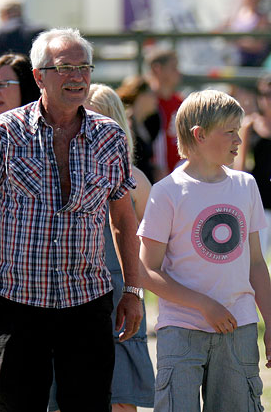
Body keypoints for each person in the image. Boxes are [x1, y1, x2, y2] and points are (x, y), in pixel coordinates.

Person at [0, 28, 142, 411]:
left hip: (87, 302)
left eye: (84, 67)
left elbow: (124, 220)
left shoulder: (109, 136)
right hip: (17, 302)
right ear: (38, 76)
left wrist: (133, 291)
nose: (77, 77)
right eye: (65, 68)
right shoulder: (6, 134)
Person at [138, 90, 271, 411]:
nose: (238, 137)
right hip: (181, 331)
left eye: (239, 129)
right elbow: (146, 271)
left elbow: (257, 264)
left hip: (239, 329)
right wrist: (204, 305)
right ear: (199, 135)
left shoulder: (246, 186)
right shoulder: (167, 193)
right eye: (230, 130)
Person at [48, 84, 156, 412]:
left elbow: (152, 249)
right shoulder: (58, 173)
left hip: (120, 294)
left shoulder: (135, 180)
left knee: (122, 398)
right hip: (69, 293)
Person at [234, 74, 271, 329]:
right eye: (264, 94)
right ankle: (252, 310)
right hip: (257, 204)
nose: (268, 100)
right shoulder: (249, 125)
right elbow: (240, 166)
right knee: (255, 260)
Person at [146, 48, 183, 179]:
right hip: (152, 177)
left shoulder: (181, 102)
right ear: (157, 69)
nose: (178, 72)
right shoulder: (146, 103)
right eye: (173, 68)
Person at [117, 74, 161, 183]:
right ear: (142, 96)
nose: (156, 99)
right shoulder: (127, 126)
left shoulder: (147, 124)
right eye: (152, 94)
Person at [217, 0, 271, 67]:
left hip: (250, 61)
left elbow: (259, 45)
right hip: (232, 58)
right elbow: (219, 30)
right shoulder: (234, 16)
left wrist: (235, 41)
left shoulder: (262, 19)